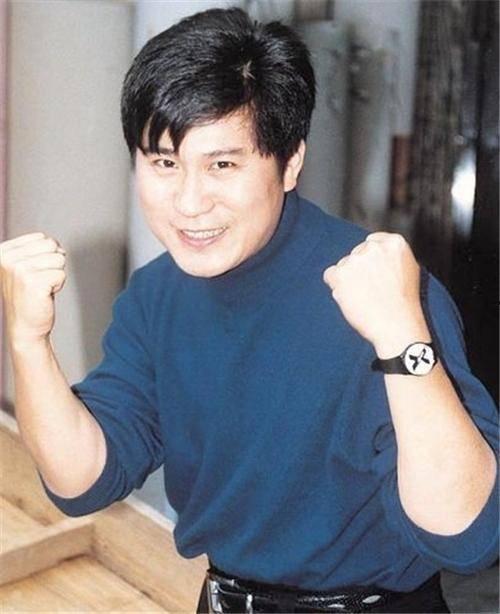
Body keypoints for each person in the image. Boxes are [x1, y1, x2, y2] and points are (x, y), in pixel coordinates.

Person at [0, 7, 498, 614]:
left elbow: (467, 535)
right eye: (164, 163)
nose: (189, 203)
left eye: (223, 164)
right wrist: (28, 342)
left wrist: (402, 339)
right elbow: (81, 481)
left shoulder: (387, 292)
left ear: (290, 163)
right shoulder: (157, 297)